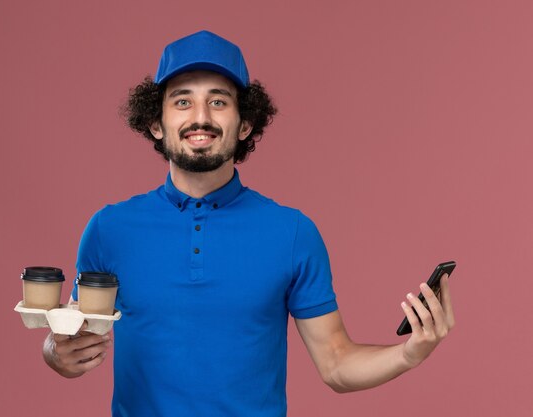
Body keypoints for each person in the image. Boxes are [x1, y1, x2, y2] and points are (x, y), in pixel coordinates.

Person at [42, 30, 455, 417]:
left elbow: (336, 364)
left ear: (244, 124)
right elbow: (73, 340)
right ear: (156, 123)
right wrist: (55, 351)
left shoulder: (292, 233)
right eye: (182, 101)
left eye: (218, 101)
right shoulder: (109, 229)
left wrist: (409, 353)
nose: (199, 117)